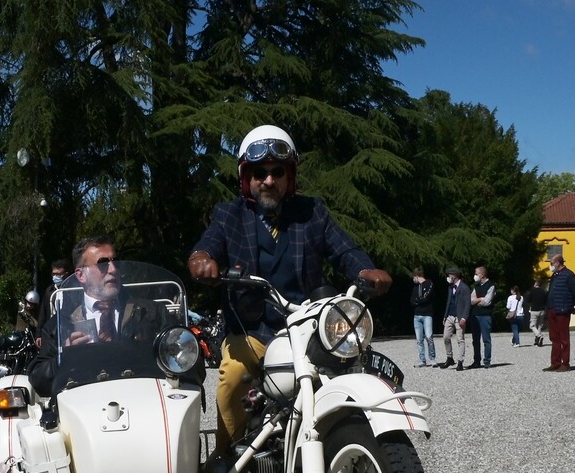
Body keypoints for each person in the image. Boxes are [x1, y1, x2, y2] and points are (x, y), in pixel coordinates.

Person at [186, 124, 391, 451]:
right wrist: (201, 258)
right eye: (259, 172)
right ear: (246, 177)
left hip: (309, 327)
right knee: (231, 379)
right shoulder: (229, 215)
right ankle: (226, 458)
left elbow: (344, 250)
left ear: (289, 176)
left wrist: (365, 269)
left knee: (346, 374)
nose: (268, 180)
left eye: (277, 171)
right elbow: (207, 244)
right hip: (251, 331)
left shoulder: (312, 213)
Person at [28, 236, 172, 398]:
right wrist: (64, 357)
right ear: (81, 275)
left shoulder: (152, 312)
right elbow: (39, 381)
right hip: (85, 408)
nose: (113, 269)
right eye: (103, 264)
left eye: (115, 262)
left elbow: (190, 361)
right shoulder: (59, 325)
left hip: (143, 401)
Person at [545, 254, 575, 372]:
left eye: (552, 263)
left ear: (558, 263)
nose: (551, 266)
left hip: (562, 309)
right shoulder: (555, 275)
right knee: (554, 337)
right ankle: (555, 362)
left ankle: (565, 363)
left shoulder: (569, 275)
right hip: (552, 309)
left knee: (564, 338)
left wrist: (569, 306)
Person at [440, 267, 470, 371]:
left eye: (449, 275)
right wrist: (445, 316)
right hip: (450, 316)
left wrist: (464, 317)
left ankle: (460, 361)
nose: (448, 277)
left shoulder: (464, 288)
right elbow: (448, 302)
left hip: (459, 316)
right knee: (446, 337)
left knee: (460, 339)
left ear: (454, 276)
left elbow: (467, 304)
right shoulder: (450, 287)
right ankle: (449, 357)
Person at [409, 268, 436, 368]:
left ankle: (432, 358)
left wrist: (418, 300)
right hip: (417, 315)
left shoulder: (429, 284)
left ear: (417, 276)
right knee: (419, 339)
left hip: (427, 315)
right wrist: (419, 300)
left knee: (429, 337)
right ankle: (422, 359)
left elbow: (426, 298)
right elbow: (412, 301)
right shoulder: (415, 288)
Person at [470, 265, 495, 368]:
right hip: (475, 315)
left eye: (476, 274)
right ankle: (476, 361)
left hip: (485, 316)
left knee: (486, 339)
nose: (475, 276)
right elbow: (471, 300)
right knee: (475, 340)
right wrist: (480, 299)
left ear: (482, 274)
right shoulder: (476, 286)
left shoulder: (491, 286)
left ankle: (487, 361)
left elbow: (487, 302)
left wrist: (478, 300)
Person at [39, 258, 72, 328]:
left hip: (67, 328)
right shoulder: (49, 291)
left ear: (66, 274)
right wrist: (39, 333)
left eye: (58, 274)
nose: (55, 277)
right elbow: (43, 313)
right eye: (54, 274)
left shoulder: (72, 290)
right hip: (51, 329)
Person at [527, 278, 548, 347]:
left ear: (536, 284)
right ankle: (537, 341)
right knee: (539, 326)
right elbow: (546, 301)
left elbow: (528, 300)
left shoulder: (532, 291)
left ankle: (539, 336)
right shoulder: (544, 291)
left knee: (532, 325)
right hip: (542, 310)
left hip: (534, 310)